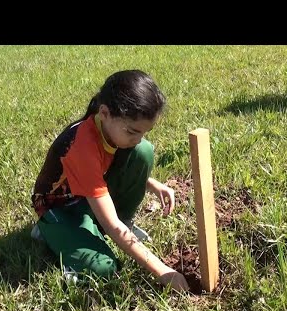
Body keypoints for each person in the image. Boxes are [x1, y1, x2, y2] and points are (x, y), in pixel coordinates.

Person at [30, 70, 189, 292]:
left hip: (88, 196)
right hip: (61, 208)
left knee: (143, 152)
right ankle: (49, 231)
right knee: (103, 268)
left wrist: (150, 183)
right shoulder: (81, 147)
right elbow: (112, 225)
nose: (138, 139)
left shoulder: (110, 129)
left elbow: (103, 170)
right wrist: (162, 270)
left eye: (144, 132)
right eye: (133, 132)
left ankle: (106, 225)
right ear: (104, 112)